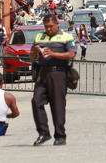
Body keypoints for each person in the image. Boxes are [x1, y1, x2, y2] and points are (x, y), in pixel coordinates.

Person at [29, 14, 76, 146]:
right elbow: (32, 56)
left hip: (59, 74)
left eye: (51, 26)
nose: (48, 29)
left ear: (57, 25)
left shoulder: (67, 36)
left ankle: (60, 135)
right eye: (46, 27)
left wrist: (53, 53)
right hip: (43, 73)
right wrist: (36, 51)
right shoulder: (39, 37)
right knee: (36, 102)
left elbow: (71, 54)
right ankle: (43, 133)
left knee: (58, 106)